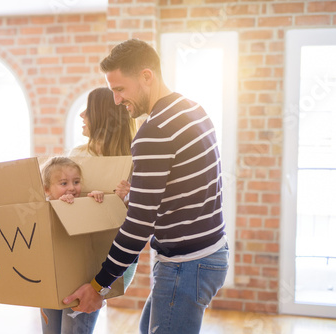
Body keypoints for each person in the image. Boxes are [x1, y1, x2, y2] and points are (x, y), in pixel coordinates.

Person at [63, 39, 229, 334]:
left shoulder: (154, 133)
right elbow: (193, 187)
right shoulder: (193, 109)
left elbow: (139, 225)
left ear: (146, 76)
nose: (116, 101)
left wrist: (98, 285)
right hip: (212, 253)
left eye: (120, 89)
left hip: (184, 265)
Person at [40, 88, 138, 334]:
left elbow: (137, 222)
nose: (82, 114)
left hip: (99, 261)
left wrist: (122, 200)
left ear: (103, 116)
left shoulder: (134, 161)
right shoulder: (76, 156)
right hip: (65, 254)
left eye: (89, 109)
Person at [40, 156, 104, 334]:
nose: (71, 188)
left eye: (76, 182)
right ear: (47, 189)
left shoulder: (85, 203)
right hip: (51, 282)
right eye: (63, 183)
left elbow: (99, 226)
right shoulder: (44, 209)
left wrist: (96, 199)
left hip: (82, 285)